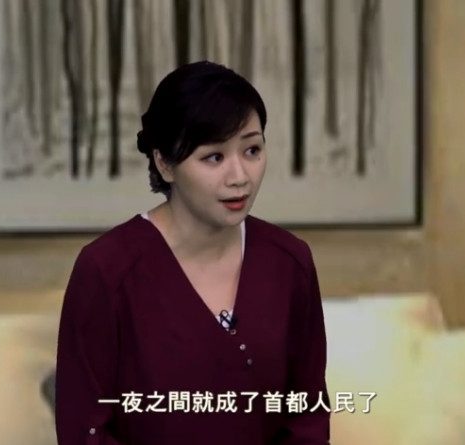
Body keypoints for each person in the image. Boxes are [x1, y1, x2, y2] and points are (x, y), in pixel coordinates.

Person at [55, 60, 330, 444]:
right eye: (214, 157)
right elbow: (85, 429)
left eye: (252, 150)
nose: (240, 176)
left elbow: (308, 417)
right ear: (164, 163)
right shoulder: (107, 270)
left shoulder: (289, 262)